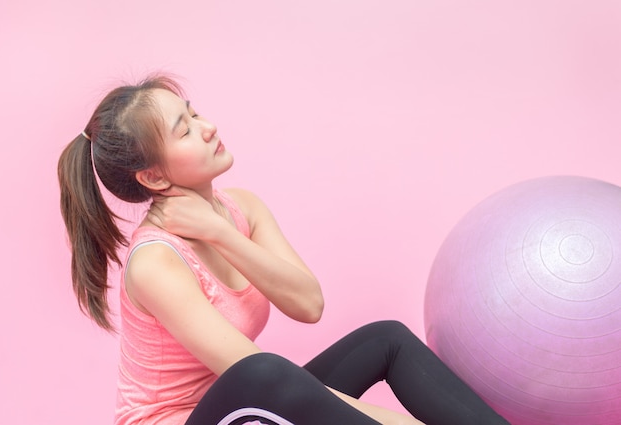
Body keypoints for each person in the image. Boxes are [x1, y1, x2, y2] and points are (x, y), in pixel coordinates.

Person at [57, 74, 510, 425]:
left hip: (254, 407)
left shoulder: (242, 210)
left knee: (384, 338)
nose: (209, 127)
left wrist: (221, 233)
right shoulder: (156, 261)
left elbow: (308, 304)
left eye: (194, 114)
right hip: (204, 417)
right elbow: (247, 372)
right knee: (262, 372)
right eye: (186, 130)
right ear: (154, 177)